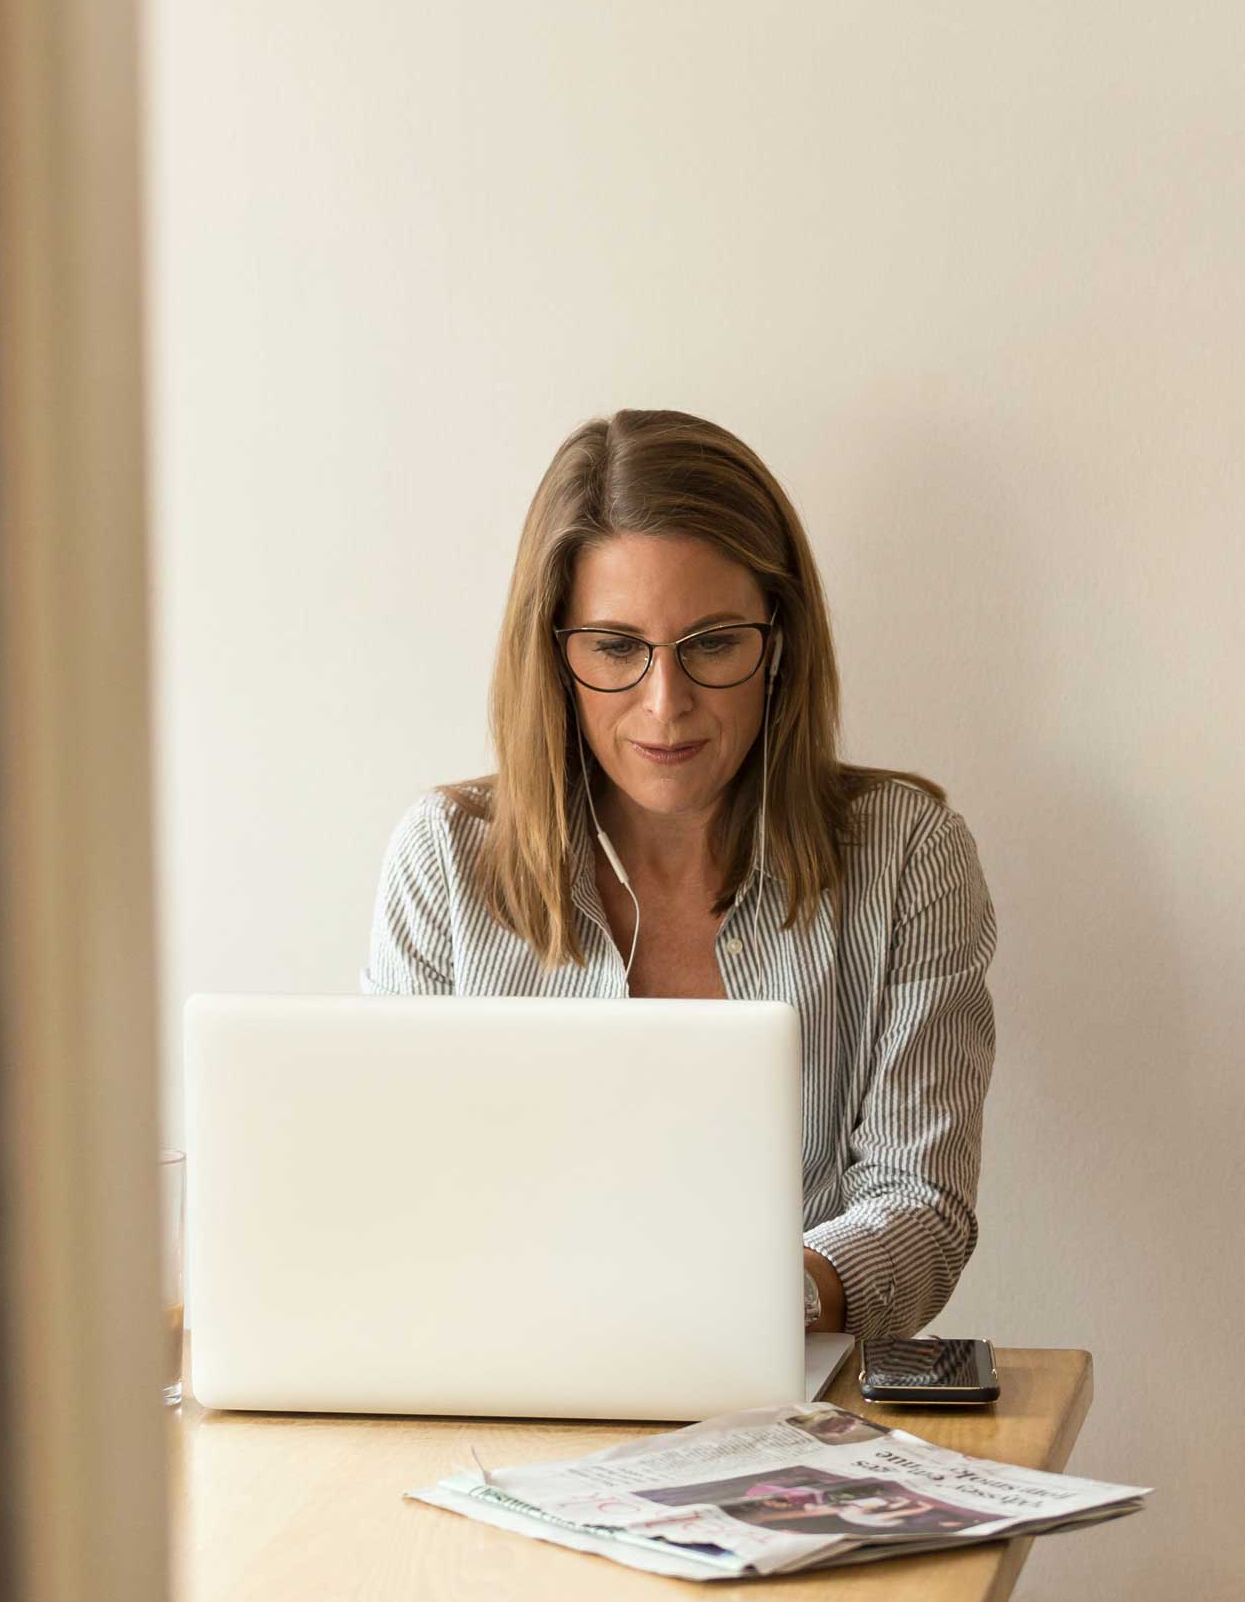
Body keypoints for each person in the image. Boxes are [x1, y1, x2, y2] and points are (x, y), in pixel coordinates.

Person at [360, 408, 997, 1340]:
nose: (666, 705)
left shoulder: (907, 855)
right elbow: (395, 1203)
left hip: (794, 1407)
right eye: (616, 648)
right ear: (555, 655)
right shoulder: (444, 862)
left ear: (777, 642)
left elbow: (922, 1207)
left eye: (711, 644)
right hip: (502, 1393)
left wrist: (754, 1304)